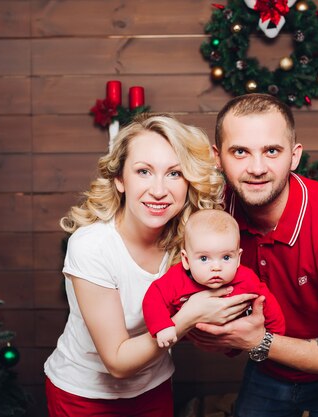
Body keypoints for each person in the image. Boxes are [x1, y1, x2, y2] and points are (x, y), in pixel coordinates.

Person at [43, 114, 258, 417]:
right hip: (84, 396)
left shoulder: (191, 243)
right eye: (144, 171)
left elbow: (222, 310)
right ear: (120, 179)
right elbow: (117, 362)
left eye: (174, 173)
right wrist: (189, 315)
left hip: (153, 387)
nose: (159, 190)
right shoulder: (92, 245)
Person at [195, 94, 318, 416]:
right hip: (269, 368)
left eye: (272, 151)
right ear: (217, 157)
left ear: (294, 156)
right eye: (240, 152)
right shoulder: (213, 217)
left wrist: (257, 341)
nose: (257, 168)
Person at [142, 209, 285, 349]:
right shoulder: (176, 278)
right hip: (187, 342)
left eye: (226, 257)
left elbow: (268, 303)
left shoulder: (246, 279)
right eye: (204, 258)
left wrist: (274, 335)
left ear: (238, 258)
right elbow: (153, 299)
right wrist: (162, 327)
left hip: (234, 343)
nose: (216, 267)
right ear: (186, 260)